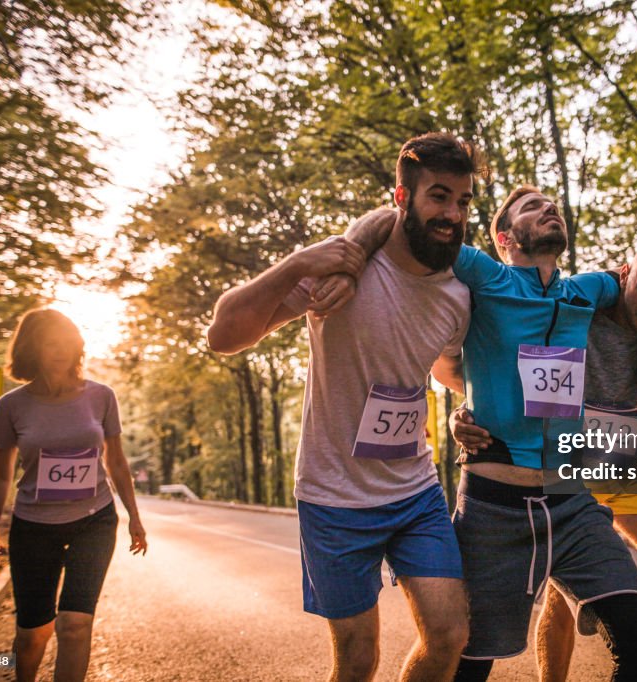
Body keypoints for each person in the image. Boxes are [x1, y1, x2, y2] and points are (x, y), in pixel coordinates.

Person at [348, 186, 637, 681]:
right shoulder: (484, 274)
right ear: (505, 237)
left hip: (571, 502)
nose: (549, 209)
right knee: (469, 663)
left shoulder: (588, 289)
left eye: (552, 204)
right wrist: (346, 256)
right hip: (494, 508)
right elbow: (404, 224)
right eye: (532, 208)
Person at [207, 132, 487, 682]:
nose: (453, 214)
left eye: (463, 201)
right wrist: (297, 263)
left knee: (450, 634)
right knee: (358, 660)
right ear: (402, 198)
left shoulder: (459, 293)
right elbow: (223, 335)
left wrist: (469, 406)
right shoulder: (340, 270)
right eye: (438, 196)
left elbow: (445, 369)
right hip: (334, 495)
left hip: (414, 490)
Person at [452, 239, 637, 682]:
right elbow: (504, 361)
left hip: (626, 463)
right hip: (564, 466)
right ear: (623, 275)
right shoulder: (574, 310)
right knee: (561, 595)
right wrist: (464, 413)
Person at [0, 309, 147, 682]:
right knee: (33, 634)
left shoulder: (102, 396)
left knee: (74, 624)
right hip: (33, 526)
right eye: (50, 343)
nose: (59, 351)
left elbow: (116, 461)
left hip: (94, 520)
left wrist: (134, 516)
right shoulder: (11, 406)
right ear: (32, 348)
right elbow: (1, 475)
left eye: (67, 343)